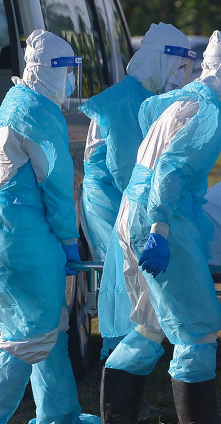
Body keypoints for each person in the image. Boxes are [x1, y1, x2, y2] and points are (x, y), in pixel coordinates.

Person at [96, 31, 221, 424]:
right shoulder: (205, 111)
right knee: (196, 325)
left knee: (149, 325)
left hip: (134, 213)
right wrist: (160, 230)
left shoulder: (184, 98)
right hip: (162, 220)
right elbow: (169, 172)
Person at [0, 29, 101, 424]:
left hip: (0, 232)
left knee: (48, 326)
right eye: (70, 70)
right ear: (55, 71)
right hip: (23, 237)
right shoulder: (39, 111)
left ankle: (59, 418)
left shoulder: (15, 102)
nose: (73, 80)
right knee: (31, 334)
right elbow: (57, 185)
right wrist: (68, 238)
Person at [79, 23, 195, 364]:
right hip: (112, 199)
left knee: (133, 282)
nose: (181, 75)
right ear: (159, 61)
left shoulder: (148, 97)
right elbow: (127, 167)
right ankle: (118, 365)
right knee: (123, 283)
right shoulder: (123, 100)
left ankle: (127, 368)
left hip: (130, 197)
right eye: (178, 67)